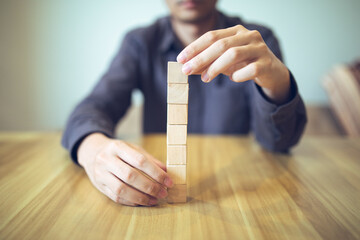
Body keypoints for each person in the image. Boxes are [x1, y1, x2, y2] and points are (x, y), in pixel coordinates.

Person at [62, 0, 307, 206]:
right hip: (162, 193)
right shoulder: (139, 42)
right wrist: (92, 150)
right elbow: (94, 106)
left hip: (239, 196)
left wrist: (277, 84)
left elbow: (279, 142)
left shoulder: (256, 41)